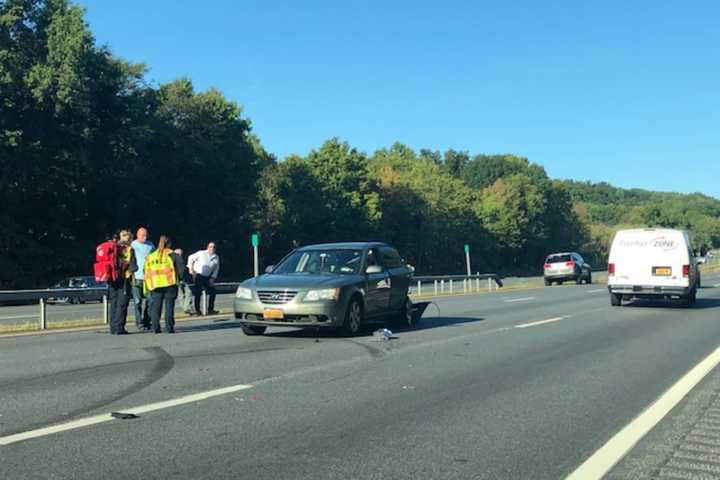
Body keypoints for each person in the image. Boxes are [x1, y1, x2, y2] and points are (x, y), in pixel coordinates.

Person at [144, 235, 184, 334]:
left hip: (155, 285)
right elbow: (181, 269)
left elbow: (145, 270)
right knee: (169, 306)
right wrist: (180, 279)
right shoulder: (173, 255)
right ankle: (169, 327)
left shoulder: (151, 256)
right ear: (169, 244)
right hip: (169, 284)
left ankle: (155, 327)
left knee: (156, 307)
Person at [108, 230, 137, 335]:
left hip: (112, 279)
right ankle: (119, 327)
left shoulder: (112, 248)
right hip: (124, 279)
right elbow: (134, 267)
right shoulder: (129, 250)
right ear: (129, 239)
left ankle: (112, 327)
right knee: (122, 303)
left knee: (114, 303)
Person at [131, 227, 154, 331]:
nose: (144, 237)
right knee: (137, 301)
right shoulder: (133, 245)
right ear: (137, 235)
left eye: (146, 235)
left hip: (148, 278)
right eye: (142, 235)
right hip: (137, 277)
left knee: (150, 300)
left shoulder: (151, 245)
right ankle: (139, 323)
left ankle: (147, 321)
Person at [188, 241, 220, 315]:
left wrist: (213, 278)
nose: (212, 248)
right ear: (207, 247)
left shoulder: (216, 257)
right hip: (198, 275)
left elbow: (216, 269)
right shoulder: (201, 253)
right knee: (198, 293)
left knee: (212, 292)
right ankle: (197, 310)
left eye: (214, 247)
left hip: (208, 277)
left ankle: (210, 310)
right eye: (210, 247)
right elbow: (190, 258)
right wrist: (191, 269)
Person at [174, 248, 195, 315]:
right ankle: (185, 308)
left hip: (185, 279)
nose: (179, 255)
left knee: (189, 292)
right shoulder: (172, 261)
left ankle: (187, 308)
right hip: (177, 279)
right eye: (177, 254)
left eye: (180, 254)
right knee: (180, 295)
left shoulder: (184, 260)